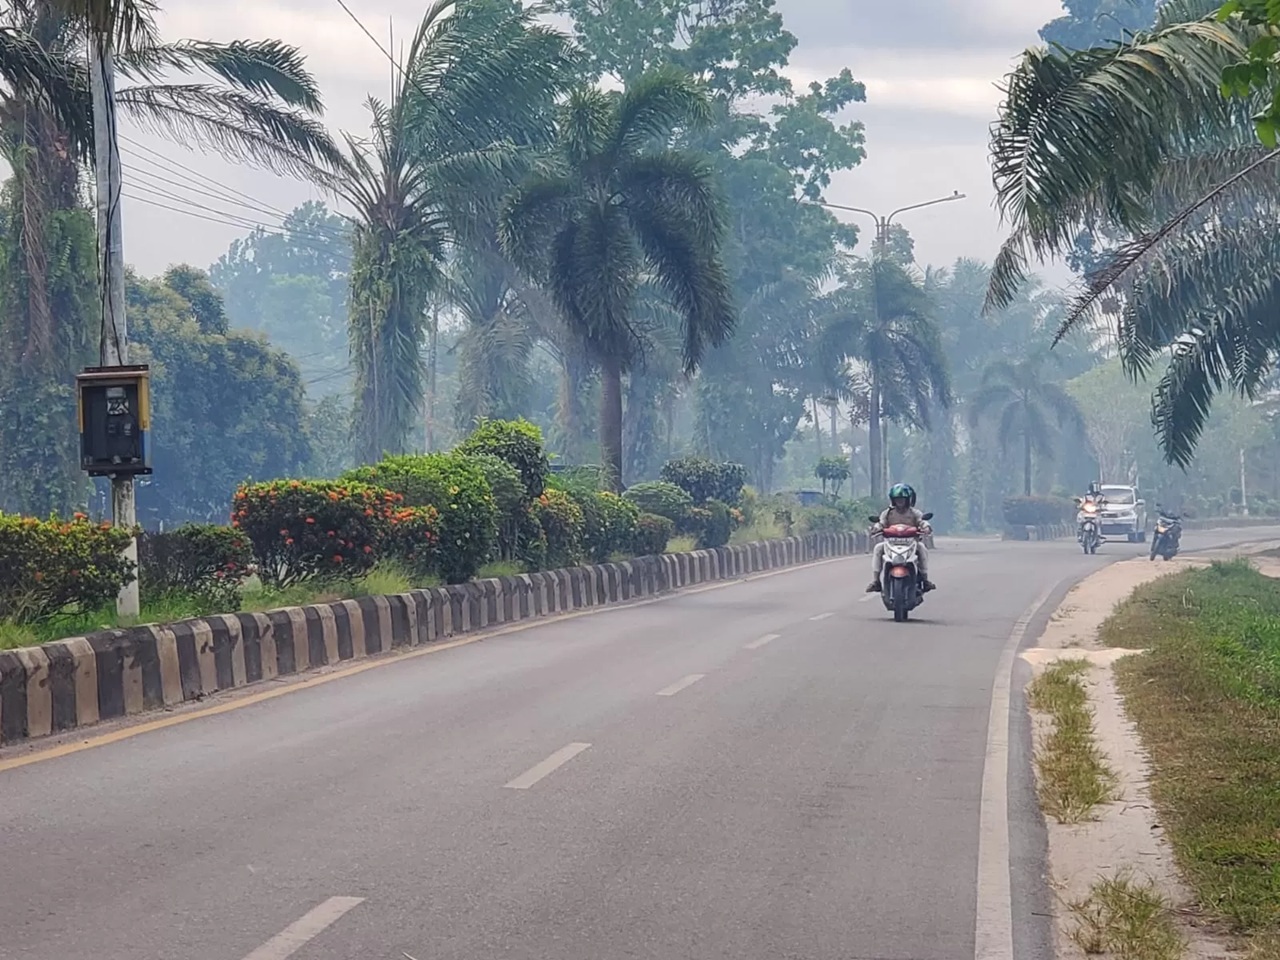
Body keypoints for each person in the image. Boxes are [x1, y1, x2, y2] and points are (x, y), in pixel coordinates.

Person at [867, 482, 934, 592]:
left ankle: (925, 580)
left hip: (911, 543)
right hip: (891, 543)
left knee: (922, 548)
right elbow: (881, 523)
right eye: (897, 499)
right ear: (893, 500)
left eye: (902, 499)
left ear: (907, 499)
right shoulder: (887, 513)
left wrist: (926, 527)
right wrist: (876, 528)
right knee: (878, 548)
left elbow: (922, 521)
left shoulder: (914, 513)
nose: (900, 502)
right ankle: (876, 581)